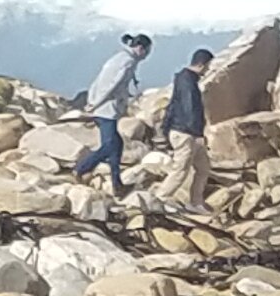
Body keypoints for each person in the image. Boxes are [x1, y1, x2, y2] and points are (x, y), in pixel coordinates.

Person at [74, 34, 151, 191]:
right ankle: (81, 168)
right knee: (109, 145)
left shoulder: (120, 57)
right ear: (141, 49)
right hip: (106, 109)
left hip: (104, 106)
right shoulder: (127, 62)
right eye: (147, 51)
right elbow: (111, 84)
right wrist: (95, 104)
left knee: (117, 143)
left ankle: (117, 183)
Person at [163, 45, 215, 205]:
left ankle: (196, 203)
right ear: (200, 65)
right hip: (186, 132)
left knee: (203, 167)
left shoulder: (184, 79)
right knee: (180, 170)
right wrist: (198, 134)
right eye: (207, 66)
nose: (207, 70)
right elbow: (190, 107)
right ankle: (161, 198)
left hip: (186, 131)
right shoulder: (188, 82)